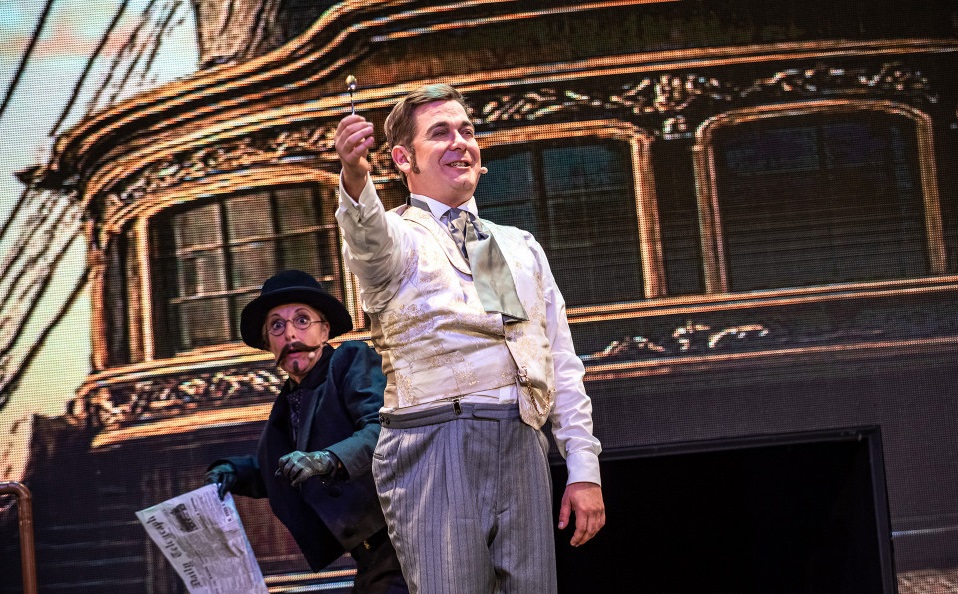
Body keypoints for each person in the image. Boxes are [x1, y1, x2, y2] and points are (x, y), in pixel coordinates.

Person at [334, 83, 606, 593]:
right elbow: (366, 238)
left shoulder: (515, 245)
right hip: (434, 442)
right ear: (403, 159)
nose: (460, 142)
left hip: (520, 441)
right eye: (440, 133)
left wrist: (583, 467)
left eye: (467, 131)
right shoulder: (398, 236)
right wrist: (354, 177)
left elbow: (554, 358)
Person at [203, 269, 408, 594]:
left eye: (302, 320)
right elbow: (282, 468)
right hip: (369, 557)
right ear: (267, 342)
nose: (290, 335)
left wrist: (328, 459)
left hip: (401, 541)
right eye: (276, 326)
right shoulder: (290, 401)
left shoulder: (349, 360)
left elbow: (384, 431)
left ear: (324, 330)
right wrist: (233, 471)